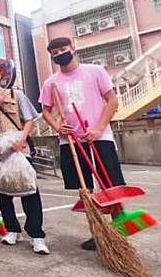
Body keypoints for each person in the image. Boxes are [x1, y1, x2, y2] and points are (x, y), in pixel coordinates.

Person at [39, 36, 125, 251]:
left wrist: (97, 129)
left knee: (110, 185)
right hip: (71, 142)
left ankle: (119, 231)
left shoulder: (95, 71)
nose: (60, 54)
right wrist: (58, 127)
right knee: (85, 190)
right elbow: (46, 112)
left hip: (99, 137)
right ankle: (97, 232)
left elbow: (112, 100)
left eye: (62, 49)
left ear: (72, 47)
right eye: (55, 52)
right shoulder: (51, 82)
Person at [0, 64, 50, 255]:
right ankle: (12, 230)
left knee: (29, 190)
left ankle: (37, 235)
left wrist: (21, 139)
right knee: (2, 191)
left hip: (19, 149)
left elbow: (29, 120)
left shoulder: (16, 95)